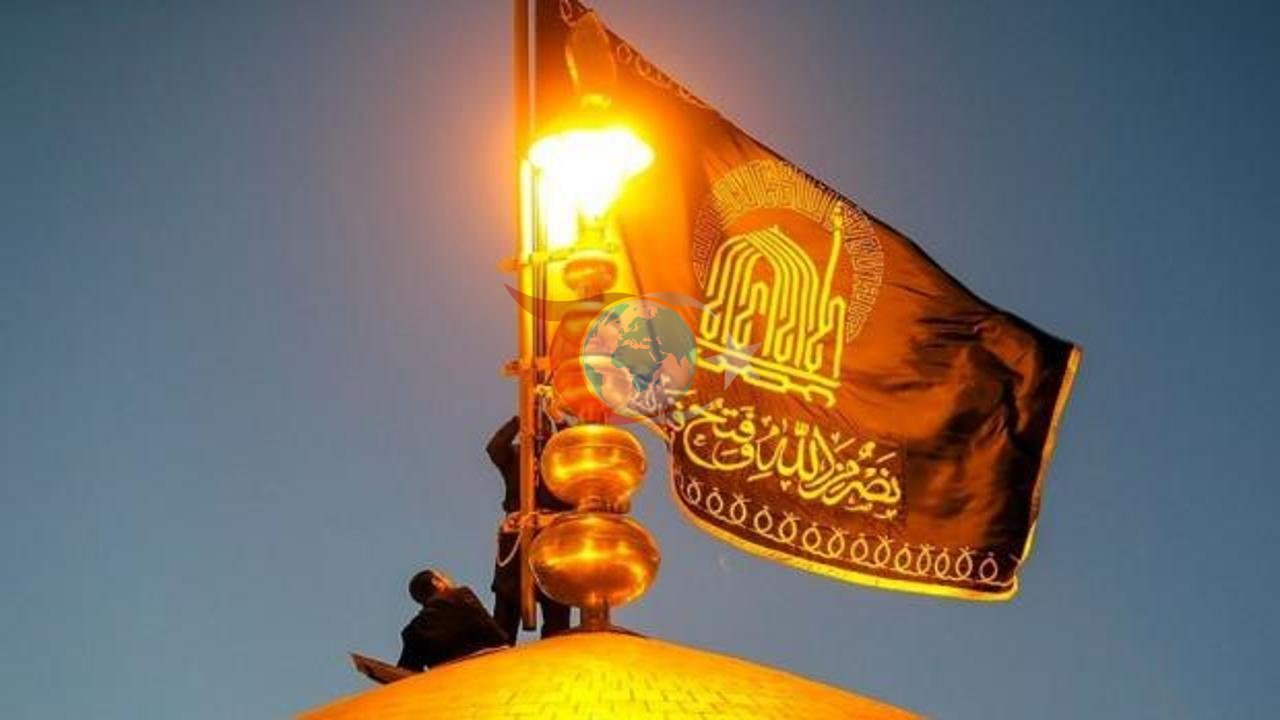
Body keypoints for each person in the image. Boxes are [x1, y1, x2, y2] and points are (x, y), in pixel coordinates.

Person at [487, 416, 573, 643]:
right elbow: (495, 448)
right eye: (533, 424)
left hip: (552, 536)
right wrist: (520, 418)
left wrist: (560, 421)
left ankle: (555, 654)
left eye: (542, 426)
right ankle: (502, 653)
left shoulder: (562, 460)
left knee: (556, 602)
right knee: (507, 601)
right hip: (516, 537)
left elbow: (577, 447)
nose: (538, 431)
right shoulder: (516, 455)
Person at [396, 568, 509, 671]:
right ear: (436, 582)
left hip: (450, 682)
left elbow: (406, 670)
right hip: (490, 669)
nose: (450, 580)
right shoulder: (462, 597)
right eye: (444, 576)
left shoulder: (412, 631)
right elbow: (497, 635)